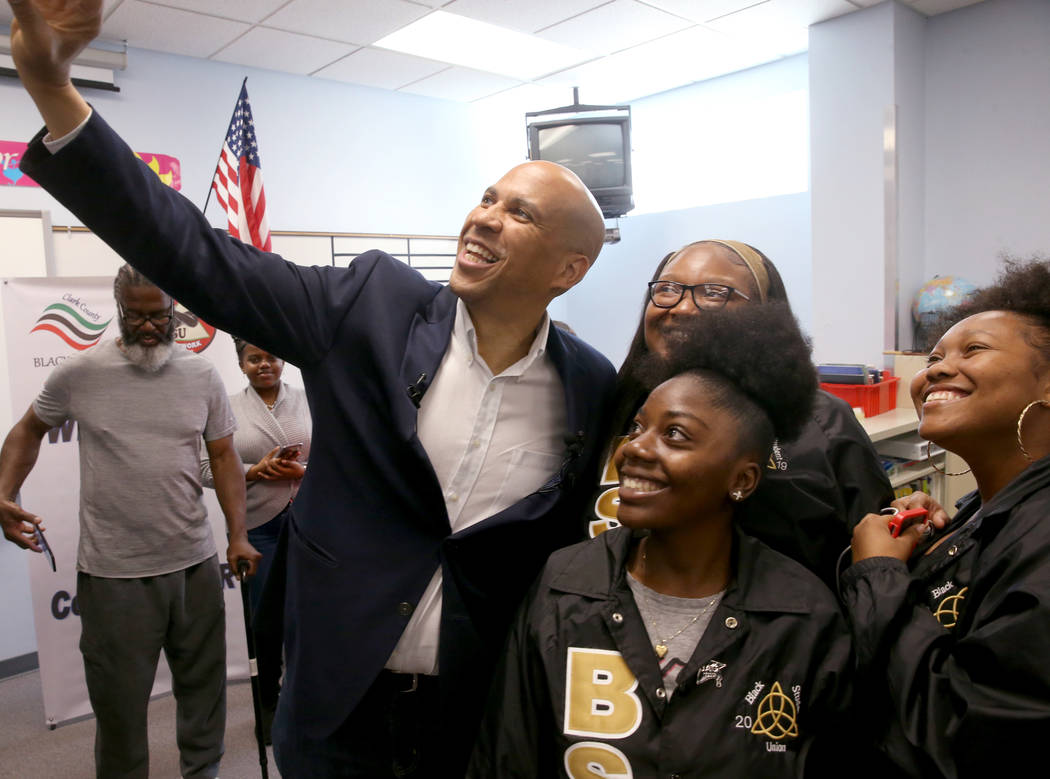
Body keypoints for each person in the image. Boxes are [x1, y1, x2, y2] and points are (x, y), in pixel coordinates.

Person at [5, 2, 616, 774]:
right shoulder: (369, 306)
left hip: (480, 715)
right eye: (487, 197)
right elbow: (197, 253)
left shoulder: (591, 386)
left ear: (570, 268)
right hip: (337, 704)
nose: (484, 219)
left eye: (519, 213)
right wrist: (50, 83)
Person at [470, 303, 856, 777]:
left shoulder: (802, 617)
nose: (634, 448)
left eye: (675, 434)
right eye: (636, 427)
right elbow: (509, 758)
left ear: (743, 478)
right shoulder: (567, 585)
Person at [0, 264, 258, 779]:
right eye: (135, 317)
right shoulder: (80, 373)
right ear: (119, 311)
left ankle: (202, 770)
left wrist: (238, 534)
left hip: (192, 565)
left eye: (157, 316)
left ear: (173, 312)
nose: (146, 327)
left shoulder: (201, 375)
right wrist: (3, 494)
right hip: (114, 576)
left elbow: (225, 456)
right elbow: (27, 431)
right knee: (119, 707)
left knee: (203, 691)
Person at [843, 258, 1050, 777]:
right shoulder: (986, 510)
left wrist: (881, 576)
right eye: (934, 356)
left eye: (973, 350)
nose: (933, 369)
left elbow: (969, 740)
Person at [590, 239, 894, 588]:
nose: (682, 307)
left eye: (713, 292)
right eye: (668, 289)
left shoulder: (823, 423)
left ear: (763, 313)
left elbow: (879, 547)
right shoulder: (616, 404)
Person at [200, 338, 311, 743]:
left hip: (310, 523)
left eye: (272, 356)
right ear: (242, 364)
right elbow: (206, 469)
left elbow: (337, 454)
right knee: (263, 623)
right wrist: (255, 471)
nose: (265, 364)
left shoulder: (309, 399)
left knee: (310, 615)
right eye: (254, 359)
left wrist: (300, 470)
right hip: (258, 526)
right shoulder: (226, 406)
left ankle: (308, 699)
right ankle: (269, 702)